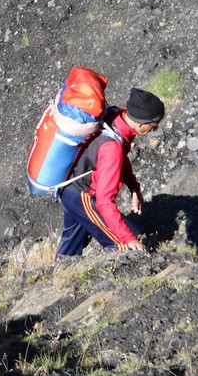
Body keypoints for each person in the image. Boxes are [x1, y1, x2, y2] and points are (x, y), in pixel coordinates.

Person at [56, 87, 165, 258]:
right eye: (154, 126)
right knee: (126, 248)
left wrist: (134, 188)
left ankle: (57, 279)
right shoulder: (111, 148)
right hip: (82, 195)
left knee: (69, 250)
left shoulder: (116, 117)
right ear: (141, 123)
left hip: (69, 187)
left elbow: (122, 159)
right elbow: (104, 201)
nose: (154, 130)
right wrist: (128, 239)